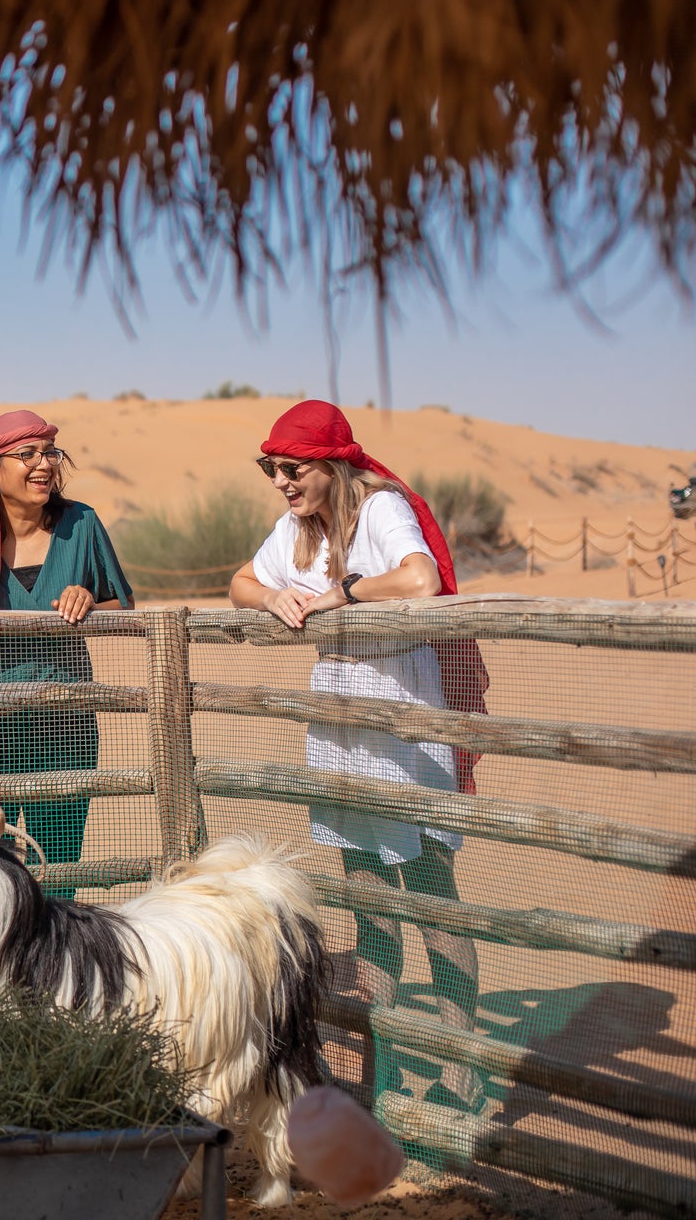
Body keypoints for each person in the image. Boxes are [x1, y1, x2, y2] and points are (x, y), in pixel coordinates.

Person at [229, 399, 484, 1107]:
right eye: (271, 468)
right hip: (339, 720)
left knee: (434, 895)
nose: (281, 481)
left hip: (404, 710)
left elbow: (420, 577)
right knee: (367, 897)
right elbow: (240, 583)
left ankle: (461, 1070)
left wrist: (342, 593)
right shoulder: (296, 529)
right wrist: (276, 595)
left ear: (333, 463)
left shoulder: (380, 509)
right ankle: (385, 1066)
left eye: (292, 467)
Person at [0, 409, 135, 898]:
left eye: (50, 452)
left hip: (64, 726)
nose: (44, 465)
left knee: (56, 870)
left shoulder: (83, 524)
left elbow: (124, 605)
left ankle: (52, 973)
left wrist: (89, 600)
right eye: (27, 454)